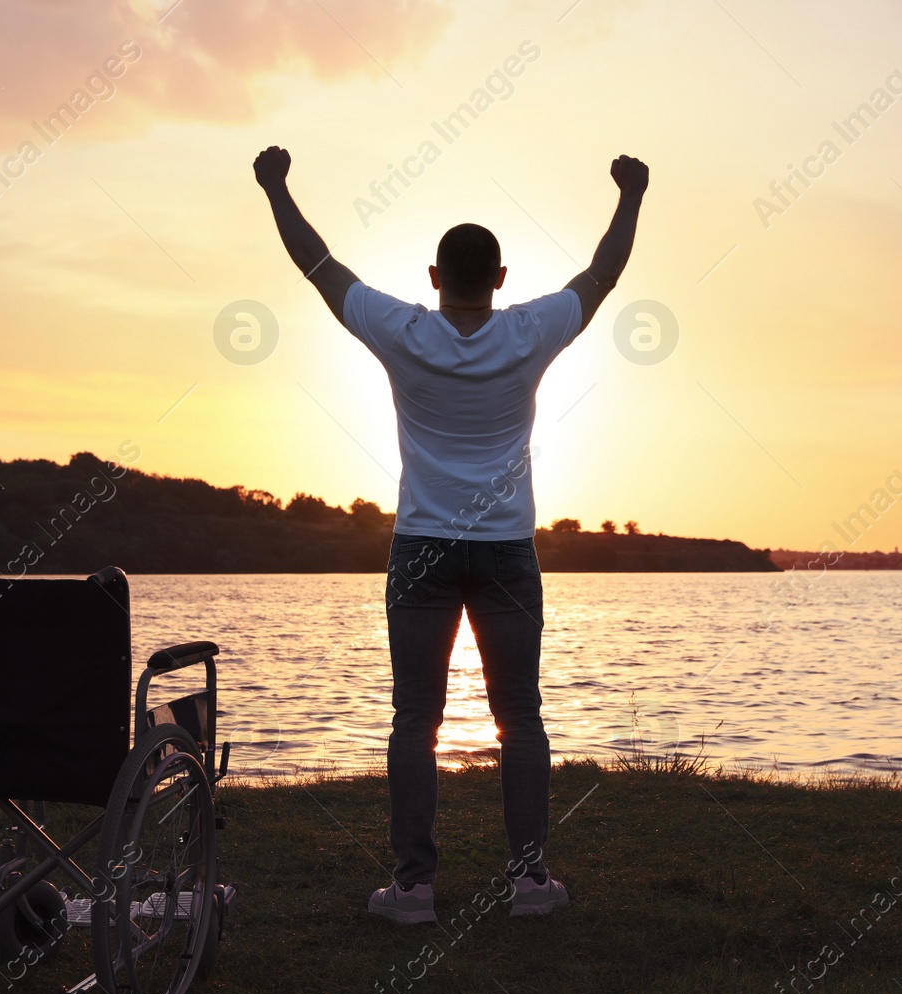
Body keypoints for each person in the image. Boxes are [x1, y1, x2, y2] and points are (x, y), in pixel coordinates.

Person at [254, 145, 648, 922]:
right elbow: (603, 272)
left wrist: (276, 186)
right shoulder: (531, 330)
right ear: (500, 280)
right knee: (520, 714)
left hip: (421, 547)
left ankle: (412, 887)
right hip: (505, 551)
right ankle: (529, 882)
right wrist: (632, 194)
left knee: (415, 716)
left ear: (434, 279)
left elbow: (318, 264)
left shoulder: (402, 330)